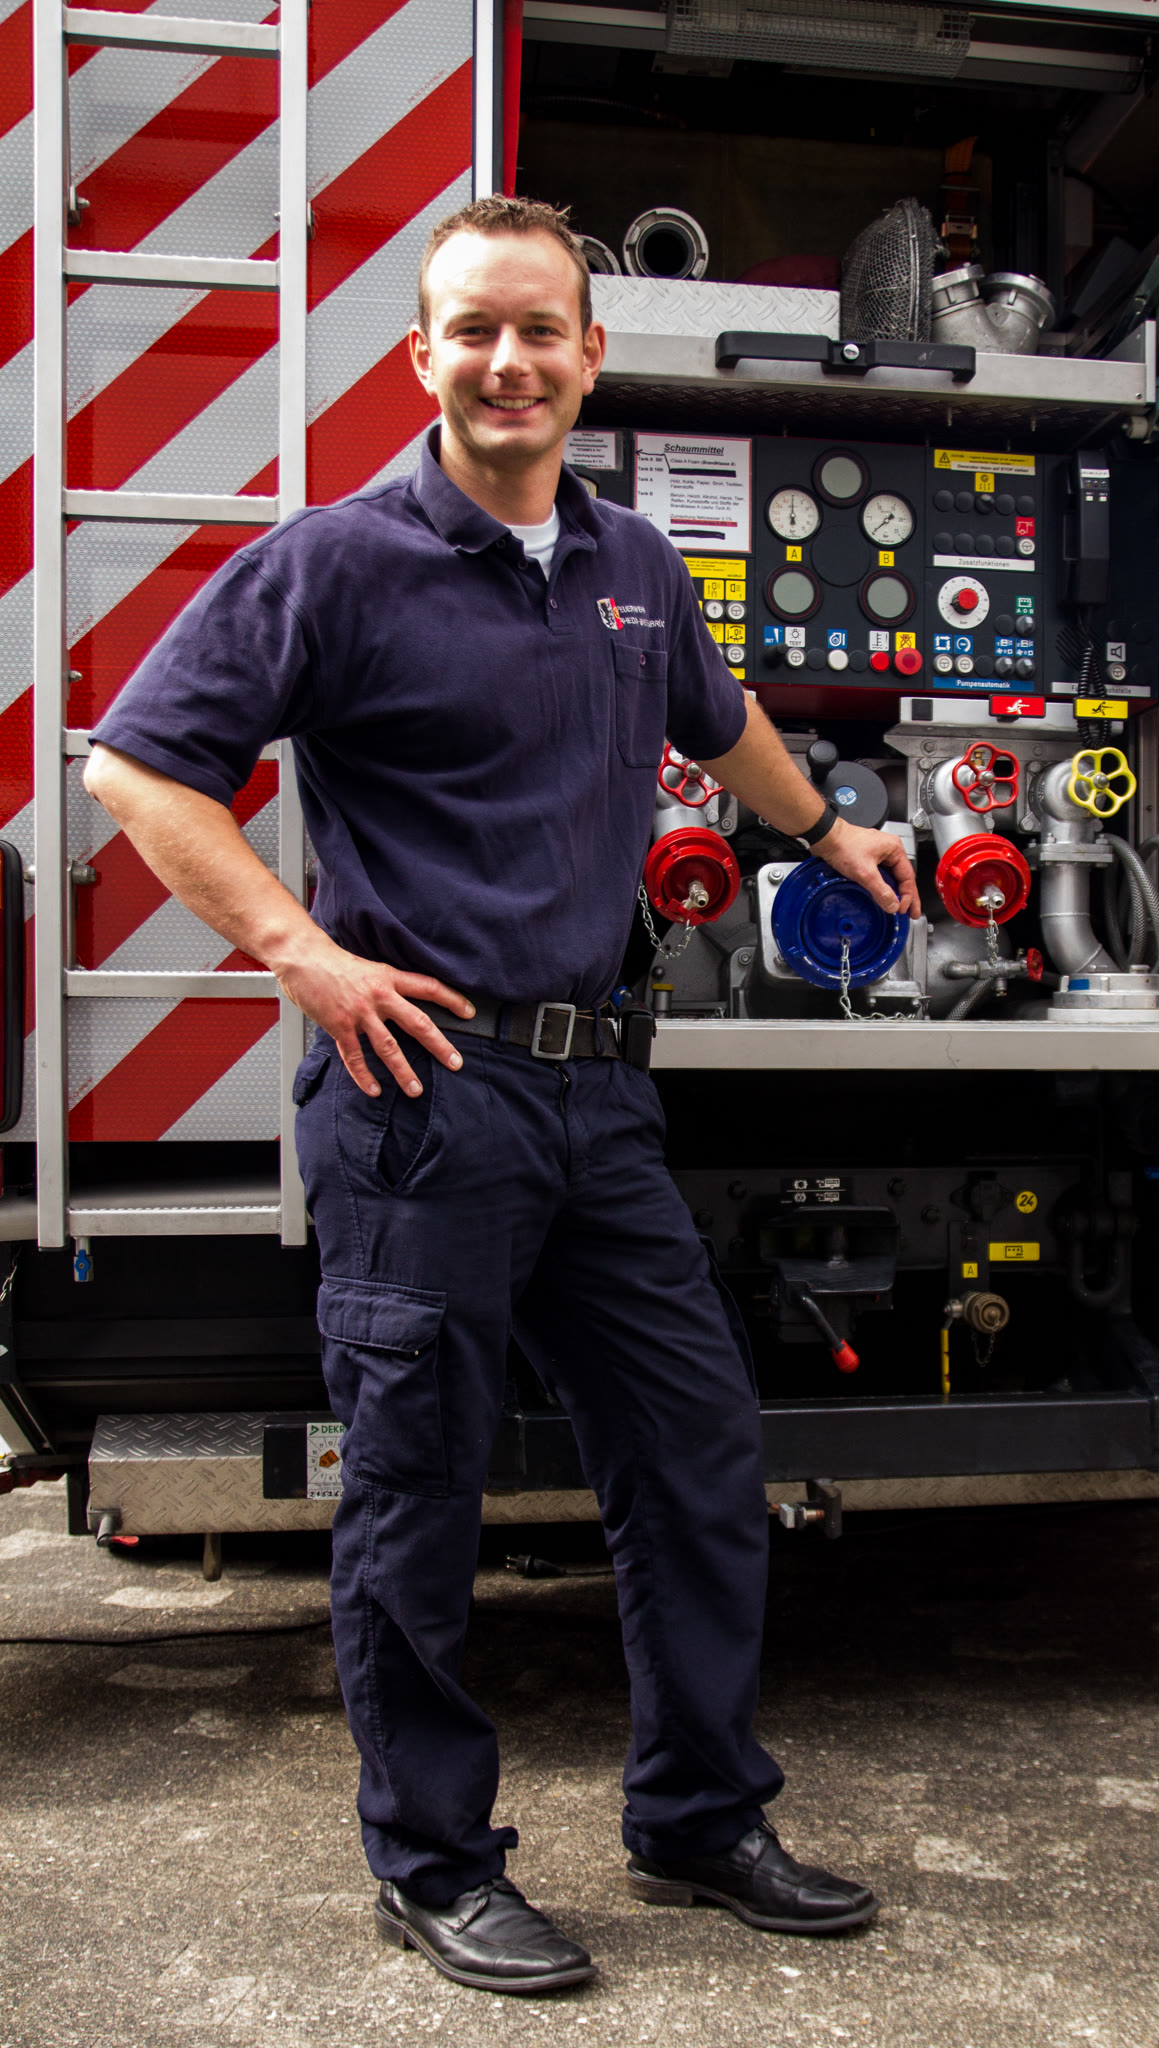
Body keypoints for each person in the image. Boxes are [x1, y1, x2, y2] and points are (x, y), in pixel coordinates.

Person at [84, 194, 920, 1999]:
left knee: (696, 1459)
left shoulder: (632, 565)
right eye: (473, 329)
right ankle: (435, 1862)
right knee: (416, 1492)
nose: (509, 361)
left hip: (597, 1099)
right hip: (422, 1098)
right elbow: (137, 768)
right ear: (423, 356)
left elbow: (718, 720)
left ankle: (698, 1817)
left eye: (540, 329)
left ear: (591, 357)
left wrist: (827, 829)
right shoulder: (334, 562)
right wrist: (302, 953)